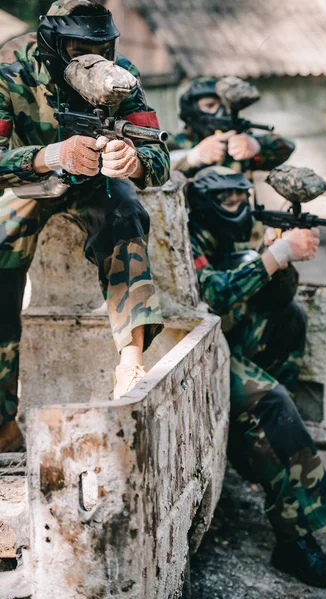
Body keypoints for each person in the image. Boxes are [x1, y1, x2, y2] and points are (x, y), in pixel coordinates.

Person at [0, 0, 170, 452]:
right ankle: (2, 421)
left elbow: (159, 156)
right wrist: (51, 155)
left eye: (101, 46)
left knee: (127, 213)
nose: (91, 57)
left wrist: (132, 162)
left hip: (95, 184)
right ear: (54, 43)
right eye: (78, 47)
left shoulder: (120, 77)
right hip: (27, 184)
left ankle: (130, 361)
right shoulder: (9, 71)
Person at [187, 166, 326, 590]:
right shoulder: (188, 236)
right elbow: (215, 293)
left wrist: (283, 254)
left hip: (226, 340)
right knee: (274, 401)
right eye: (228, 202)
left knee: (289, 318)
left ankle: (264, 444)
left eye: (243, 198)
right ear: (206, 205)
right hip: (196, 353)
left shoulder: (243, 233)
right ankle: (293, 542)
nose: (238, 208)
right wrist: (275, 256)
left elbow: (276, 296)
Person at [169, 76, 295, 177]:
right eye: (210, 105)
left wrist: (256, 146)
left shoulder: (237, 138)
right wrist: (194, 157)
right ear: (191, 109)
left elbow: (286, 147)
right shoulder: (176, 143)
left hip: (239, 207)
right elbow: (155, 170)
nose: (221, 112)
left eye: (225, 105)